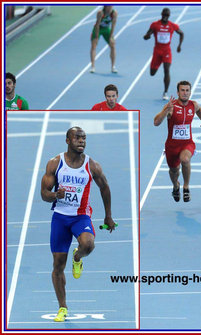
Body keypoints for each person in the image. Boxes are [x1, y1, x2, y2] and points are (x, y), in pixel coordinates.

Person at [40, 127, 116, 322]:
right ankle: (63, 307)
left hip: (80, 216)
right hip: (60, 218)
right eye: (77, 138)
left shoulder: (92, 166)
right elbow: (44, 194)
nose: (81, 141)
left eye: (84, 138)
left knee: (88, 245)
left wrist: (108, 216)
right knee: (57, 265)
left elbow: (105, 188)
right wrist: (56, 195)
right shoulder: (55, 163)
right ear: (67, 140)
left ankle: (77, 257)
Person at [154, 80, 201, 202]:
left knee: (185, 159)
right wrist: (165, 111)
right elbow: (156, 122)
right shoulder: (171, 106)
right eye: (182, 90)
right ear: (178, 92)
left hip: (187, 143)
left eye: (187, 90)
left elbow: (199, 110)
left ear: (190, 92)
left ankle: (186, 187)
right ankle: (176, 186)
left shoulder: (193, 105)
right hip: (172, 146)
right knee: (174, 171)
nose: (185, 93)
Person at [144, 8, 184, 100]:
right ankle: (155, 67)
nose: (165, 17)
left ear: (169, 16)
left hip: (167, 51)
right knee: (152, 73)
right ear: (161, 14)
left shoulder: (172, 26)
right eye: (164, 15)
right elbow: (147, 35)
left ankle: (165, 92)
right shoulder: (155, 25)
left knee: (166, 70)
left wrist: (179, 46)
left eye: (167, 15)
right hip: (157, 51)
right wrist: (147, 36)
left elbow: (181, 33)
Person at [90, 5, 117, 73]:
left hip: (106, 29)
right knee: (94, 46)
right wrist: (96, 36)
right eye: (109, 6)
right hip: (98, 29)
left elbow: (113, 26)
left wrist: (111, 37)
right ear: (105, 6)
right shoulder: (100, 13)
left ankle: (113, 67)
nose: (111, 7)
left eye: (111, 6)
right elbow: (97, 24)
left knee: (113, 45)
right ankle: (93, 66)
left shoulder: (114, 13)